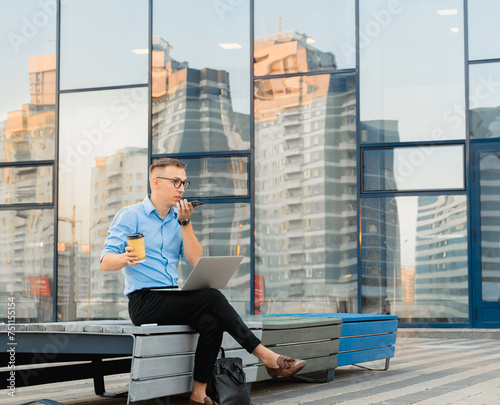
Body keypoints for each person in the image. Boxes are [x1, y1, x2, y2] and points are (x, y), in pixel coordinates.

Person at [100, 158, 306, 405]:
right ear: (155, 182)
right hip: (144, 301)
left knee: (211, 321)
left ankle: (199, 394)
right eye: (175, 181)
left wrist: (185, 223)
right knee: (212, 297)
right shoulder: (131, 215)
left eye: (184, 183)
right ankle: (267, 356)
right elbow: (105, 261)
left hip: (171, 296)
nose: (181, 188)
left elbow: (196, 261)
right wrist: (124, 257)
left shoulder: (178, 219)